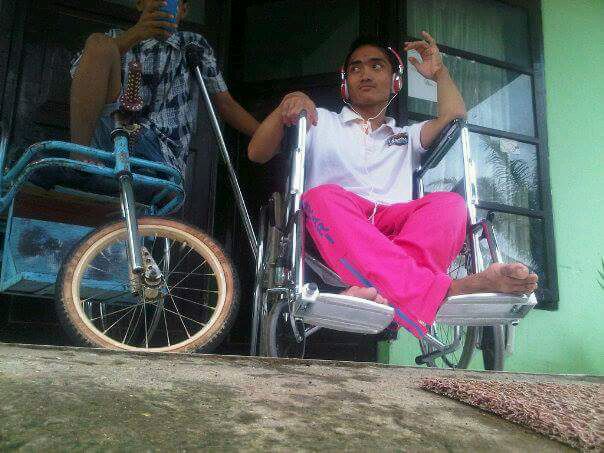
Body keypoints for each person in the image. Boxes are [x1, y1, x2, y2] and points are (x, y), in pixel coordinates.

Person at [248, 32, 538, 338]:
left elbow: (455, 117)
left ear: (395, 82)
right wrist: (288, 105)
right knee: (320, 197)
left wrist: (439, 73)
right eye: (356, 68)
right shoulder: (319, 120)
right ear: (345, 84)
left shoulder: (407, 136)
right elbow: (257, 153)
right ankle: (448, 291)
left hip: (396, 228)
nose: (365, 74)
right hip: (338, 223)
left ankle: (381, 290)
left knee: (451, 204)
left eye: (376, 66)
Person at [69, 0, 258, 177]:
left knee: (102, 45)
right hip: (111, 136)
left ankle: (83, 161)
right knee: (99, 43)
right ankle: (79, 156)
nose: (163, 2)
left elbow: (226, 105)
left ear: (182, 10)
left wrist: (269, 136)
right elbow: (79, 77)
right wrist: (135, 35)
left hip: (161, 150)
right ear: (140, 3)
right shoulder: (114, 39)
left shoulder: (192, 44)